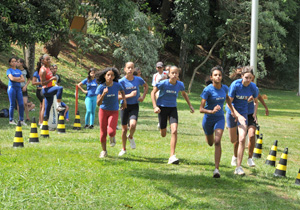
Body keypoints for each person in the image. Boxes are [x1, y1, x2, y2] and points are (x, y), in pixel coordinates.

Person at [151, 66, 194, 164]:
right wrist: (155, 106)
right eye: (172, 73)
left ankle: (172, 156)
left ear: (178, 74)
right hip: (162, 108)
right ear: (169, 74)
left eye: (176, 73)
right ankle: (161, 125)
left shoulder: (180, 84)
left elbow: (184, 94)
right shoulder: (163, 83)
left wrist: (190, 106)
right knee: (163, 134)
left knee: (174, 130)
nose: (174, 75)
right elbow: (153, 92)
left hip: (172, 109)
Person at [200, 66, 236, 178]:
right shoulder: (207, 90)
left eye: (219, 75)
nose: (218, 77)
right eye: (215, 75)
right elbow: (201, 109)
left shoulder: (225, 88)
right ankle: (208, 134)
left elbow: (228, 99)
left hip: (220, 118)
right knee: (210, 142)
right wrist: (211, 111)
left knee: (217, 141)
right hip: (208, 119)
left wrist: (233, 111)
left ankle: (216, 169)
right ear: (211, 77)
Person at [226, 66, 258, 175]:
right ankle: (234, 157)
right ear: (242, 76)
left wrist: (254, 113)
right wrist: (236, 115)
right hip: (232, 112)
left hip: (243, 113)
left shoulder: (253, 87)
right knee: (233, 140)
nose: (248, 80)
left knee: (242, 138)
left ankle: (238, 167)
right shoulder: (235, 85)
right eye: (246, 77)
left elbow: (256, 101)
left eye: (250, 78)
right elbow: (229, 103)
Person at [118, 62, 148, 156]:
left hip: (134, 105)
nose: (130, 69)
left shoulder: (138, 79)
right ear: (125, 69)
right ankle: (123, 148)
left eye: (132, 68)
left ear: (134, 69)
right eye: (128, 68)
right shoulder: (121, 81)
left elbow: (146, 86)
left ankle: (130, 137)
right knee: (124, 129)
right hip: (124, 106)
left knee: (133, 125)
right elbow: (118, 96)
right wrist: (129, 96)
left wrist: (142, 97)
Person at [96, 67, 126, 158]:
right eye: (108, 75)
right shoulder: (101, 87)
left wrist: (124, 101)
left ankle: (112, 137)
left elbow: (122, 91)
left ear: (114, 77)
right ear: (104, 76)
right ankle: (104, 151)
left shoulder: (117, 85)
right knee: (103, 133)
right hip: (103, 111)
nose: (109, 77)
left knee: (111, 131)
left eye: (112, 75)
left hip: (114, 111)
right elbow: (98, 103)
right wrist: (104, 94)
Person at [39, 54, 65, 120]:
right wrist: (51, 79)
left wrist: (53, 79)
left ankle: (44, 124)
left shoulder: (48, 68)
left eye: (49, 59)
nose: (49, 61)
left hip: (50, 88)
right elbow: (42, 83)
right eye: (47, 59)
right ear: (43, 60)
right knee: (60, 88)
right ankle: (58, 105)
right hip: (46, 89)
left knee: (48, 107)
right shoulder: (43, 70)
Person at [6, 57, 26, 125]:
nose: (14, 63)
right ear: (10, 63)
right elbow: (11, 79)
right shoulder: (9, 70)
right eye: (12, 61)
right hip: (12, 88)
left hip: (18, 88)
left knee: (21, 104)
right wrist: (18, 78)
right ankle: (11, 120)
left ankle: (21, 120)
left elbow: (23, 80)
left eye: (15, 61)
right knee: (12, 104)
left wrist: (15, 78)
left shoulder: (19, 71)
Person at [32, 56, 45, 125]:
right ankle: (42, 122)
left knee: (41, 106)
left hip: (42, 90)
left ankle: (40, 121)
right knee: (44, 107)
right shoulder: (36, 73)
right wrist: (42, 83)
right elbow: (33, 83)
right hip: (40, 90)